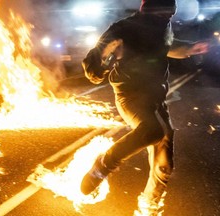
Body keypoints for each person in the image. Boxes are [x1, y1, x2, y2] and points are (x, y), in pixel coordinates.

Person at [80, 0, 208, 215]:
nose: (167, 16)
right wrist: (104, 61)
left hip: (155, 99)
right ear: (148, 8)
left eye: (170, 12)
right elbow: (92, 68)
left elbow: (166, 44)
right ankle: (103, 164)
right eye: (164, 12)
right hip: (130, 96)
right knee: (152, 131)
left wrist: (190, 47)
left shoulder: (162, 25)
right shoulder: (124, 28)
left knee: (164, 165)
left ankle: (149, 205)